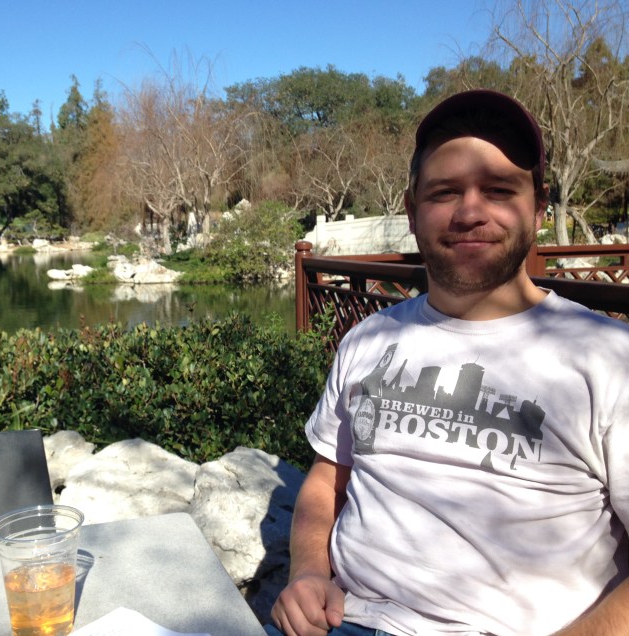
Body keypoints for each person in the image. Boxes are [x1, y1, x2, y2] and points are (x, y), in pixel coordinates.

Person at [268, 89, 629, 636]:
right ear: (413, 211)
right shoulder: (368, 340)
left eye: (499, 190)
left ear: (538, 209)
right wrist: (309, 573)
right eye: (445, 192)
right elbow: (327, 478)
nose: (470, 212)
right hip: (346, 619)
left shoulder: (608, 360)